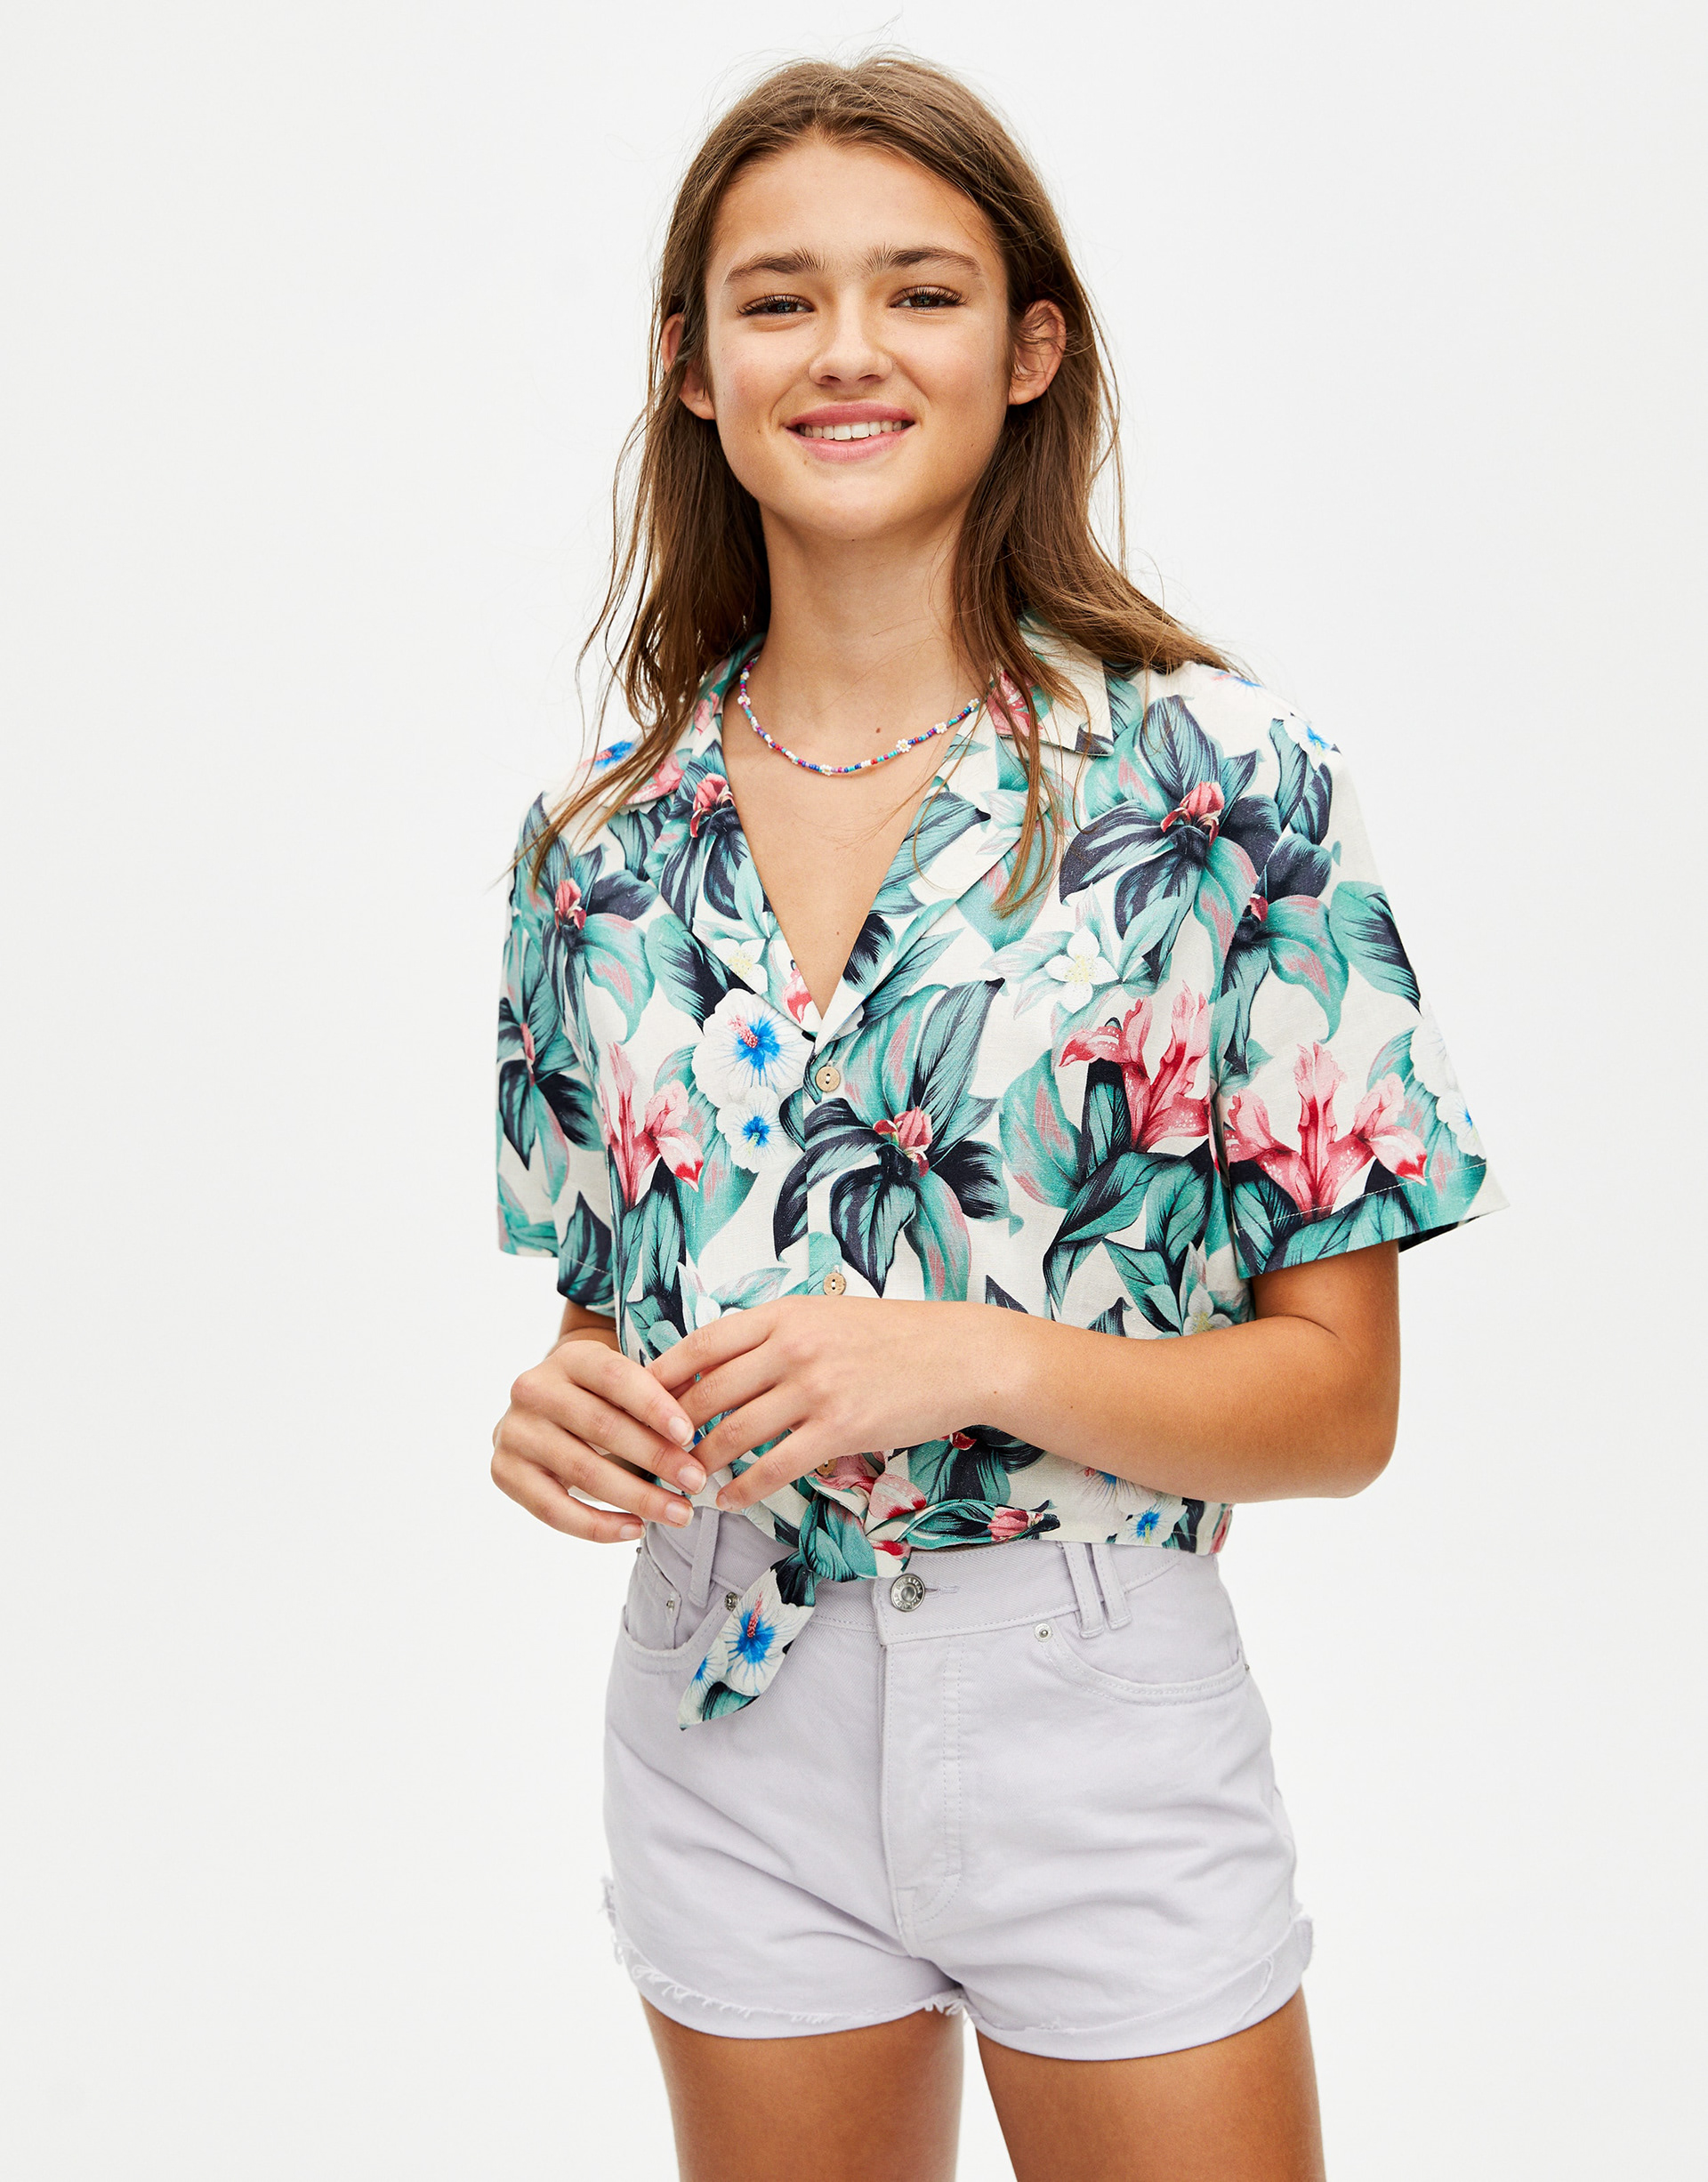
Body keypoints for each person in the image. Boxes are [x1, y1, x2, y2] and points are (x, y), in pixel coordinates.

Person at [488, 52, 1503, 2182]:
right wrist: (572, 1409)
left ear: (1030, 349)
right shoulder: (598, 849)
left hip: (1092, 1703)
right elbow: (615, 1313)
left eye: (921, 292)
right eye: (779, 300)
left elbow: (1342, 1411)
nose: (847, 349)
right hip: (719, 1698)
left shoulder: (1224, 791)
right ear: (690, 368)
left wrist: (969, 1358)